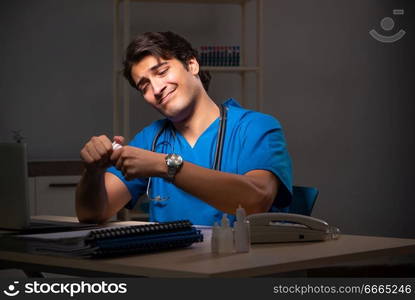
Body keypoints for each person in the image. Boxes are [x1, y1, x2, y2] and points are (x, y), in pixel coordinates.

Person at [76, 31, 293, 226]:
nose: (157, 89)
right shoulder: (150, 139)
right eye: (145, 86)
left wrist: (165, 165)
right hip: (170, 266)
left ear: (192, 65)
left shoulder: (254, 127)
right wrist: (93, 172)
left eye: (161, 72)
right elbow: (92, 214)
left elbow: (257, 200)